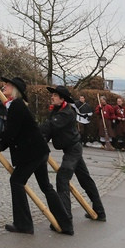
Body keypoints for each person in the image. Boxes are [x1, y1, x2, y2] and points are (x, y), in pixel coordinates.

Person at [0, 75, 73, 235]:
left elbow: (10, 132)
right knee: (46, 187)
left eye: (7, 85)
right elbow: (16, 134)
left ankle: (24, 224)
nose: (4, 87)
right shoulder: (16, 105)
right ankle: (66, 224)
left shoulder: (16, 105)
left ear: (15, 89)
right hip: (38, 152)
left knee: (16, 181)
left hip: (32, 154)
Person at [41, 85, 106, 226]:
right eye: (52, 95)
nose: (52, 97)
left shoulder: (67, 113)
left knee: (62, 177)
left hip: (73, 150)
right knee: (85, 180)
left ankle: (65, 218)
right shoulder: (56, 111)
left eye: (55, 95)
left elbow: (50, 126)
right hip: (70, 149)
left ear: (62, 98)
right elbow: (47, 132)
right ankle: (100, 211)